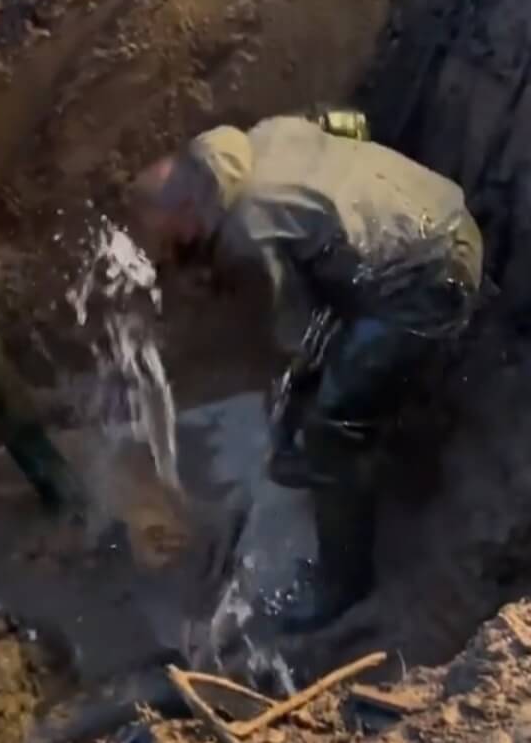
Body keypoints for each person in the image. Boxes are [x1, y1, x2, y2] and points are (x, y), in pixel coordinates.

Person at [130, 114, 483, 633]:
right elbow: (349, 123)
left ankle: (342, 584)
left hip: (426, 286)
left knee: (329, 433)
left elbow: (299, 333)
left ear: (188, 208)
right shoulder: (268, 134)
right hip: (449, 219)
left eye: (171, 239)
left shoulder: (247, 230)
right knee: (340, 354)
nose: (172, 252)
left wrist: (291, 423)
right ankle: (391, 416)